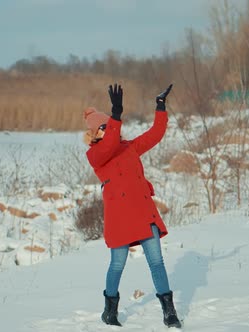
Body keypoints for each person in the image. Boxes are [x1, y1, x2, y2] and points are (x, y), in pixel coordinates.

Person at [82, 83, 181, 328]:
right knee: (117, 264)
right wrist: (116, 115)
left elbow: (155, 135)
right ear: (95, 133)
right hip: (120, 219)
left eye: (109, 125)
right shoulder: (96, 156)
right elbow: (108, 145)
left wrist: (160, 107)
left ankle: (169, 313)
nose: (108, 129)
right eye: (102, 127)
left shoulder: (129, 148)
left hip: (143, 213)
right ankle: (110, 310)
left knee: (157, 262)